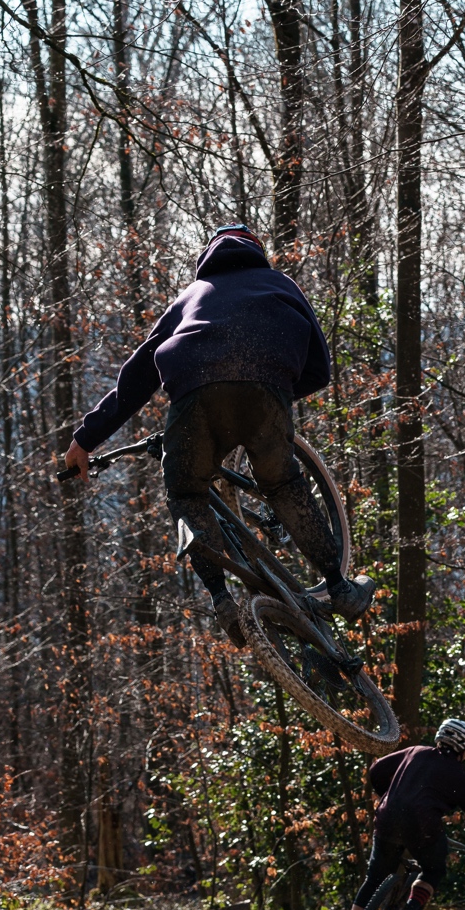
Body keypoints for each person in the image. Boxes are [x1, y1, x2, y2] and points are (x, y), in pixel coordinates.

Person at [64, 224, 374, 647]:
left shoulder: (192, 295)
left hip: (194, 390)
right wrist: (274, 389)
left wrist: (86, 438)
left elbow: (138, 375)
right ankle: (340, 588)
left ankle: (222, 601)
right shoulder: (280, 283)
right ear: (257, 253)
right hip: (267, 385)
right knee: (283, 483)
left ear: (207, 258)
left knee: (187, 494)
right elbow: (320, 367)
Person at [350, 718, 465, 910]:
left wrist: (389, 796)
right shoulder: (461, 778)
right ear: (464, 750)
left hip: (387, 817)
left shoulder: (415, 752)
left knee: (375, 877)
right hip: (422, 827)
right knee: (433, 870)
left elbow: (376, 770)